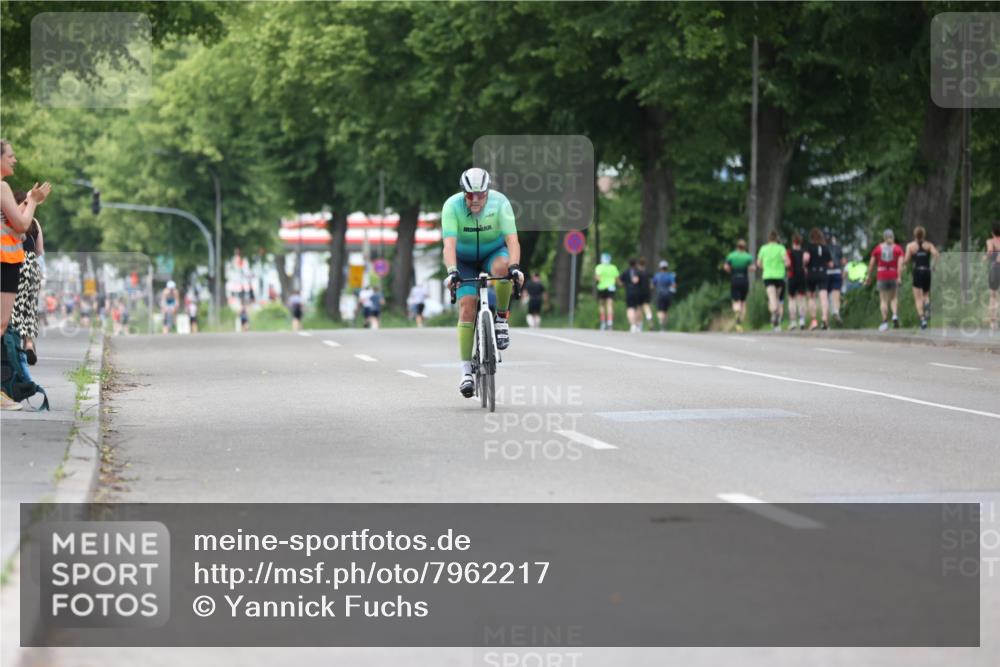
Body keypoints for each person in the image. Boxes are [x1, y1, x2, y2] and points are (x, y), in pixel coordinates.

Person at [441, 167, 523, 398]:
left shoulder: (500, 203)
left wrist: (515, 267)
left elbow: (512, 240)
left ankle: (501, 318)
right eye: (470, 195)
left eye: (480, 195)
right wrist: (452, 272)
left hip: (492, 253)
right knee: (467, 306)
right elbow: (448, 245)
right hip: (463, 260)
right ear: (463, 193)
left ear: (487, 192)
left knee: (503, 269)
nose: (475, 200)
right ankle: (466, 371)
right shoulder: (451, 206)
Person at [1, 140, 51, 410]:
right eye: (10, 156)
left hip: (8, 260)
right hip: (5, 261)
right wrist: (33, 201)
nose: (15, 160)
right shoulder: (2, 187)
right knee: (1, 325)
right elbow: (22, 225)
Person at [10, 193, 44, 364]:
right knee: (29, 306)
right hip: (31, 266)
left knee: (12, 305)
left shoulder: (10, 219)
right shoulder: (34, 222)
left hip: (12, 263)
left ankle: (12, 344)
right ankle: (29, 343)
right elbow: (39, 251)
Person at [865, 228, 904, 332]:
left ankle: (885, 321)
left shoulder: (878, 249)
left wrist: (868, 276)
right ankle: (894, 315)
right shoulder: (898, 249)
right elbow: (900, 265)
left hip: (882, 275)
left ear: (884, 237)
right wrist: (899, 277)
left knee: (883, 299)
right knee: (894, 298)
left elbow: (871, 264)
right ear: (893, 237)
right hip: (893, 274)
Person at [903, 226, 940, 330]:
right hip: (927, 271)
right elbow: (937, 255)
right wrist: (934, 266)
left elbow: (906, 260)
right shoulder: (928, 245)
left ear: (914, 235)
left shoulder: (910, 246)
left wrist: (903, 264)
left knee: (918, 298)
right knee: (926, 295)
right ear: (924, 234)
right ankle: (927, 304)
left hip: (917, 271)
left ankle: (922, 319)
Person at [756, 230, 790, 331]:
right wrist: (782, 266)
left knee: (772, 297)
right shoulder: (781, 248)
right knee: (778, 298)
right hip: (779, 276)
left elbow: (758, 263)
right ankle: (777, 323)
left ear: (769, 239)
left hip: (768, 276)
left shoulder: (763, 248)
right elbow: (787, 262)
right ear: (777, 239)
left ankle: (774, 313)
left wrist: (765, 267)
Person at [723, 240, 754, 332]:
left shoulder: (731, 256)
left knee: (736, 301)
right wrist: (748, 268)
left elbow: (726, 267)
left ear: (737, 246)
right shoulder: (748, 257)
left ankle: (737, 316)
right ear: (745, 247)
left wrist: (730, 271)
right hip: (744, 280)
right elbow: (752, 268)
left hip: (735, 280)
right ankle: (740, 321)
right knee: (743, 302)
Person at [805, 228, 832, 330]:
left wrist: (805, 265)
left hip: (812, 273)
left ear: (811, 237)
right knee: (824, 297)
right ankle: (824, 318)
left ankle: (814, 321)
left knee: (811, 297)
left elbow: (806, 259)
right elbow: (830, 263)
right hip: (823, 273)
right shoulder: (825, 248)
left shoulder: (809, 247)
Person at [786, 233, 808, 330]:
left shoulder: (789, 252)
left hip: (792, 275)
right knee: (801, 299)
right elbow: (806, 263)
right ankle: (802, 320)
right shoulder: (804, 252)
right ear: (800, 242)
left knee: (791, 299)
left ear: (793, 242)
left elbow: (787, 264)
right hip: (802, 276)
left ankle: (793, 322)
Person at [594, 252, 619, 331]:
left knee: (602, 305)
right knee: (610, 305)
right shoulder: (613, 267)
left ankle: (603, 322)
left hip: (602, 287)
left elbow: (597, 277)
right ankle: (610, 322)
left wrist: (601, 280)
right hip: (611, 288)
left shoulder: (599, 267)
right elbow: (616, 279)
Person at [826, 234, 847, 325]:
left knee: (825, 296)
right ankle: (836, 312)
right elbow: (843, 261)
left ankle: (826, 318)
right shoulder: (838, 248)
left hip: (826, 273)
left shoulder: (823, 248)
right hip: (837, 272)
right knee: (836, 293)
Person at [651, 260, 677, 330]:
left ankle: (661, 322)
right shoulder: (670, 276)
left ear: (660, 267)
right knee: (665, 311)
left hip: (659, 294)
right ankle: (664, 326)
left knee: (660, 310)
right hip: (668, 295)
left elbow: (652, 286)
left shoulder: (657, 276)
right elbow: (674, 285)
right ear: (667, 267)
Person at [985, 221, 1000, 333]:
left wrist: (985, 258)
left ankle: (993, 322)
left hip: (995, 268)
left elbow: (990, 252)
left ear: (992, 232)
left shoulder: (990, 241)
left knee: (993, 296)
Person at [622, 258, 644, 333]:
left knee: (630, 308)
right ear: (636, 263)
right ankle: (638, 324)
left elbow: (620, 281)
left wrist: (625, 285)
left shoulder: (626, 272)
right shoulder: (639, 272)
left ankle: (633, 325)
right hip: (638, 292)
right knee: (638, 308)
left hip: (629, 292)